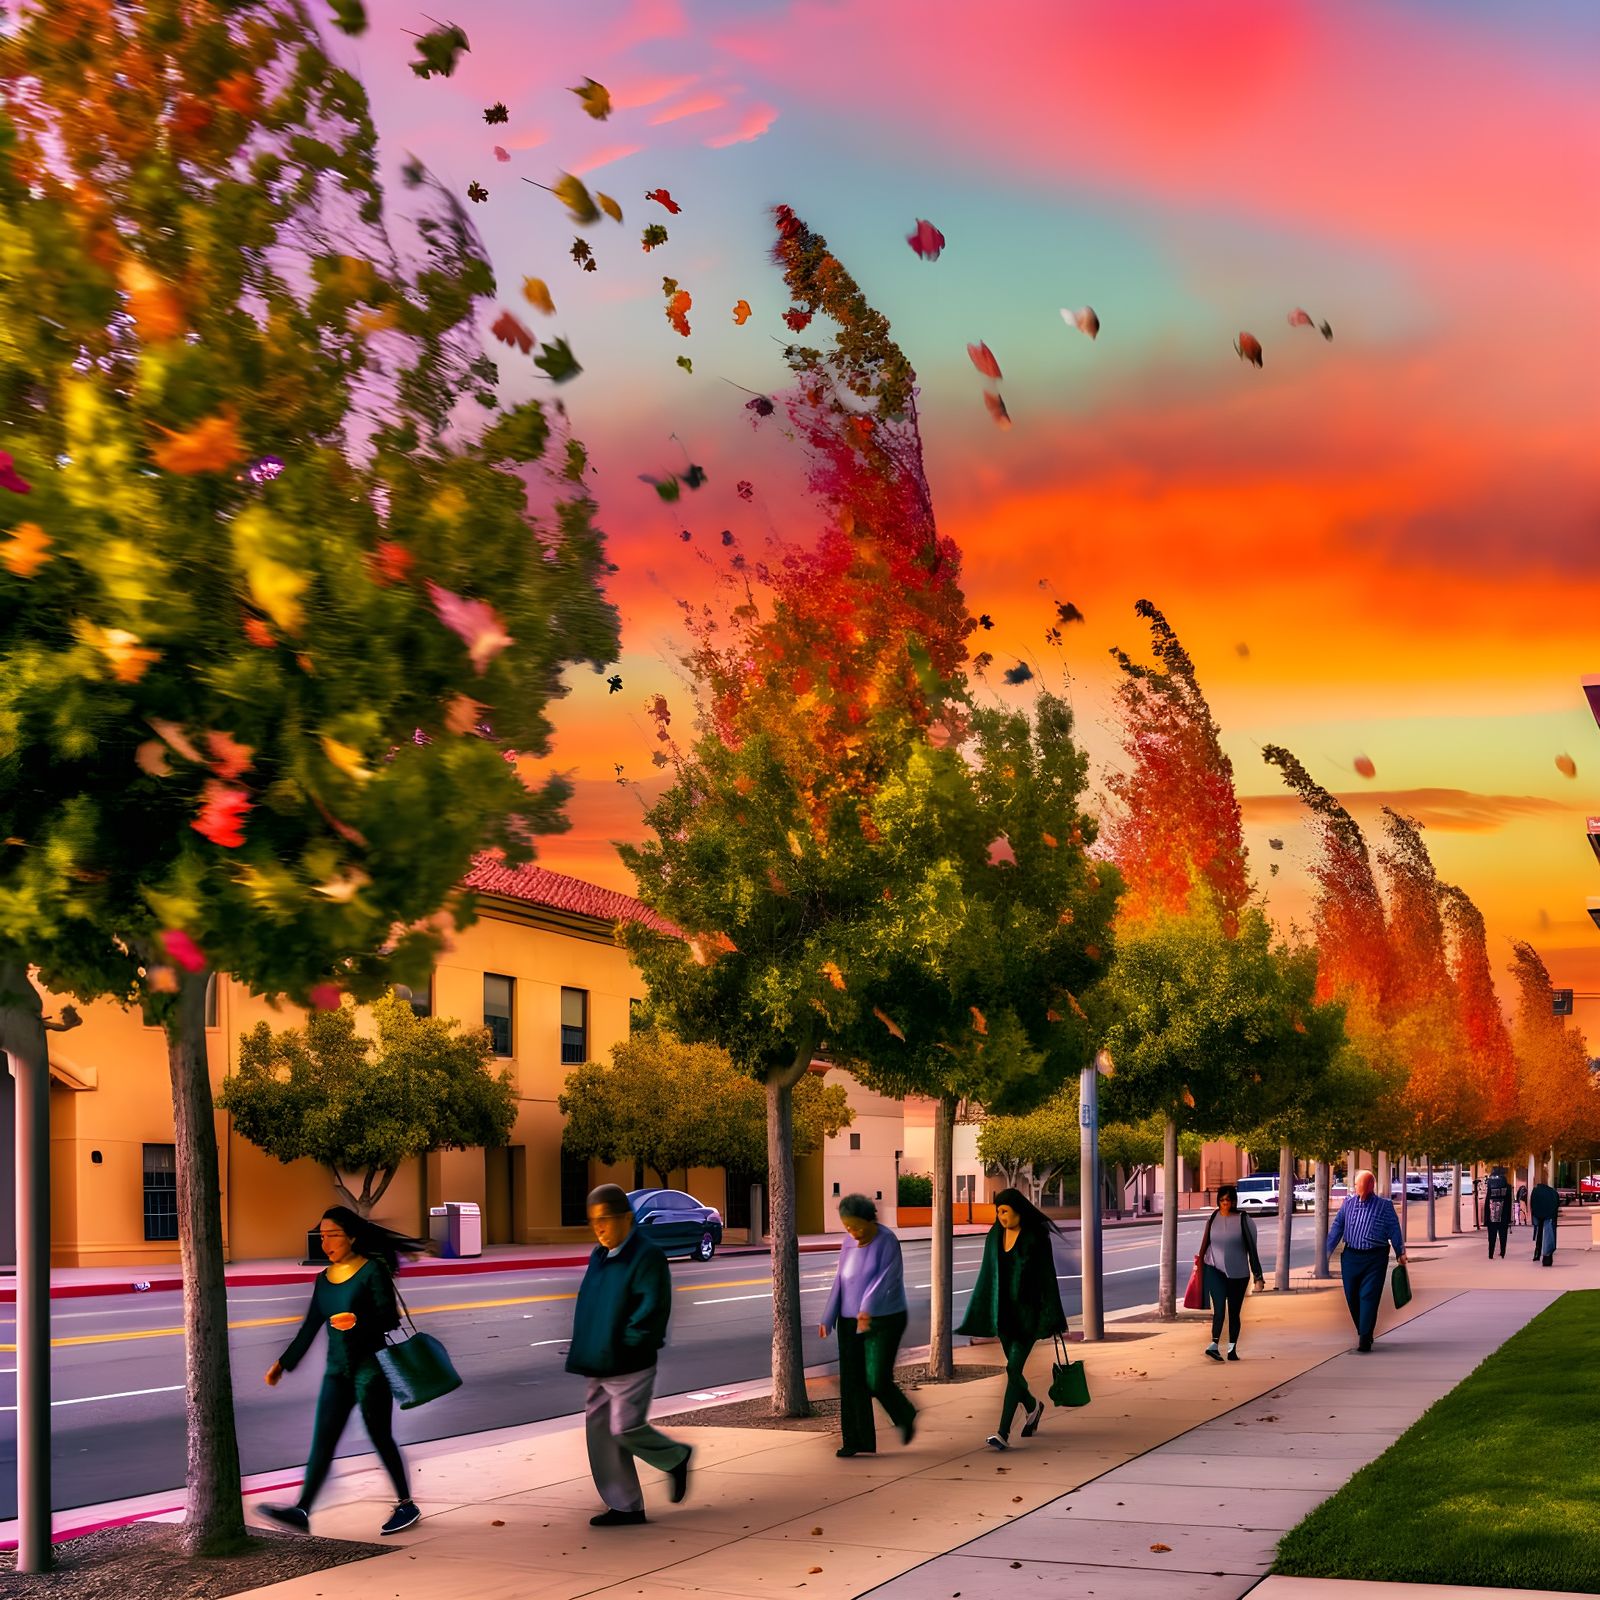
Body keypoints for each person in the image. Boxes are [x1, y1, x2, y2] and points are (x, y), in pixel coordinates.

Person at [259, 1207, 426, 1537]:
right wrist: (283, 1363)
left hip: (370, 1369)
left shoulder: (372, 1271)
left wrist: (357, 1320)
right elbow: (309, 1327)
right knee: (323, 1440)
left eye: (332, 1235)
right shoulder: (323, 1281)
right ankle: (302, 1509)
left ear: (351, 1236)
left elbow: (389, 1319)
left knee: (380, 1435)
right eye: (321, 1236)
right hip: (337, 1372)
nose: (325, 1243)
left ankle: (407, 1504)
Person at [567, 1184, 692, 1526]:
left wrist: (630, 1342)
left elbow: (651, 1309)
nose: (600, 1228)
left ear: (626, 1217)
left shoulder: (647, 1255)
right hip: (598, 1360)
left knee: (624, 1428)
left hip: (630, 1361)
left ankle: (675, 1458)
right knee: (600, 1432)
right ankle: (625, 1506)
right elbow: (592, 1305)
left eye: (605, 1220)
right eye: (594, 1222)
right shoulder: (600, 1255)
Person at [956, 1189, 1067, 1450]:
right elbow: (988, 1275)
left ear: (1019, 1210)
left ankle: (1002, 1432)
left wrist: (1052, 1316)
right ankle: (1032, 1407)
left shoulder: (1036, 1236)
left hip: (1029, 1314)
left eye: (1005, 1211)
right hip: (1004, 1315)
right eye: (998, 1212)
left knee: (1012, 1370)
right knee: (1014, 1372)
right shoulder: (995, 1235)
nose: (1001, 1216)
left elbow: (1048, 1277)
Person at [818, 1194, 916, 1458]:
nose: (852, 1232)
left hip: (883, 1318)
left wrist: (866, 1309)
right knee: (851, 1382)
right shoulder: (848, 1243)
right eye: (847, 1227)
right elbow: (840, 1279)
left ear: (870, 1219)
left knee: (876, 1379)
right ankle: (856, 1440)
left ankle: (905, 1414)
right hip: (849, 1320)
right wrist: (828, 1316)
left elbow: (887, 1279)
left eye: (856, 1226)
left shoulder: (887, 1241)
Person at [1325, 1169, 1407, 1353]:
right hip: (1351, 1257)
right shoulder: (1348, 1204)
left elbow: (1394, 1228)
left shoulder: (1384, 1206)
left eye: (1360, 1185)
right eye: (1356, 1185)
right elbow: (1337, 1227)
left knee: (1368, 1296)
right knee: (1352, 1296)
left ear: (1371, 1186)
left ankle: (1364, 1338)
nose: (1357, 1188)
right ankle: (1364, 1330)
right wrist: (1327, 1251)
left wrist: (1400, 1251)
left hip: (1375, 1258)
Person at [1195, 1184, 1264, 1362]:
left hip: (1238, 1274)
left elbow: (1252, 1249)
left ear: (1234, 1201)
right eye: (1222, 1200)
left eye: (1228, 1200)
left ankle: (1232, 1349)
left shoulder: (1243, 1219)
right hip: (1214, 1270)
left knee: (1234, 1313)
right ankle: (1214, 1345)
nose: (1225, 1203)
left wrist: (1258, 1276)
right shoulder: (1213, 1217)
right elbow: (1205, 1244)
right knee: (1219, 1311)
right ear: (1218, 1201)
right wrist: (1199, 1267)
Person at [1529, 1177, 1559, 1266]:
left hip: (1538, 1214)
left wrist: (1534, 1215)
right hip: (1549, 1215)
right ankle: (1547, 1255)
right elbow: (1556, 1204)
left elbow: (1532, 1204)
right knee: (1548, 1234)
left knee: (1539, 1233)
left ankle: (1537, 1252)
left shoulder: (1535, 1191)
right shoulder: (1552, 1192)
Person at [1483, 1166, 1511, 1258]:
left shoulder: (1490, 1185)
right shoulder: (1507, 1187)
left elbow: (1487, 1202)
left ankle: (1490, 1254)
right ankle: (1503, 1252)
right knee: (1503, 1235)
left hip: (1492, 1214)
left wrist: (1486, 1218)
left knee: (1492, 1235)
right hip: (1504, 1214)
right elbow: (1509, 1203)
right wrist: (1509, 1218)